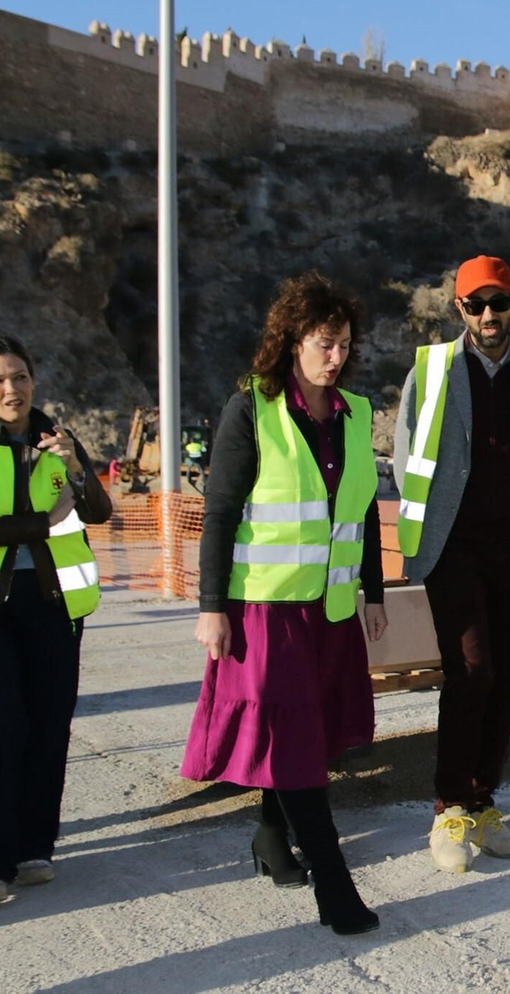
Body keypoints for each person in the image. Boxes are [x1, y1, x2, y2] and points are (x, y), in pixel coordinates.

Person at [180, 273, 388, 936]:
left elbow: (362, 510)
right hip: (264, 612)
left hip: (327, 612)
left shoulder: (355, 415)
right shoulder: (252, 409)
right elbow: (219, 514)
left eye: (344, 344)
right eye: (325, 343)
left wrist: (374, 592)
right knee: (295, 742)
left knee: (307, 738)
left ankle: (272, 840)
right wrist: (212, 605)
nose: (336, 356)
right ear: (293, 341)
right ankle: (333, 883)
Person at [393, 254, 510, 874]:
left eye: (498, 302)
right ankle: (448, 808)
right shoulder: (432, 369)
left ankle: (482, 801)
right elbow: (404, 457)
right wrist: (428, 532)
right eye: (476, 305)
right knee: (469, 670)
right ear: (459, 309)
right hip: (453, 546)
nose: (489, 315)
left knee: (505, 676)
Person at [0, 335, 110, 906]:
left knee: (48, 724)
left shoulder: (55, 437)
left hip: (56, 607)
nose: (12, 389)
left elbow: (99, 511)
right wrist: (44, 520)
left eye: (20, 376)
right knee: (0, 728)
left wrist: (78, 469)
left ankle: (36, 846)